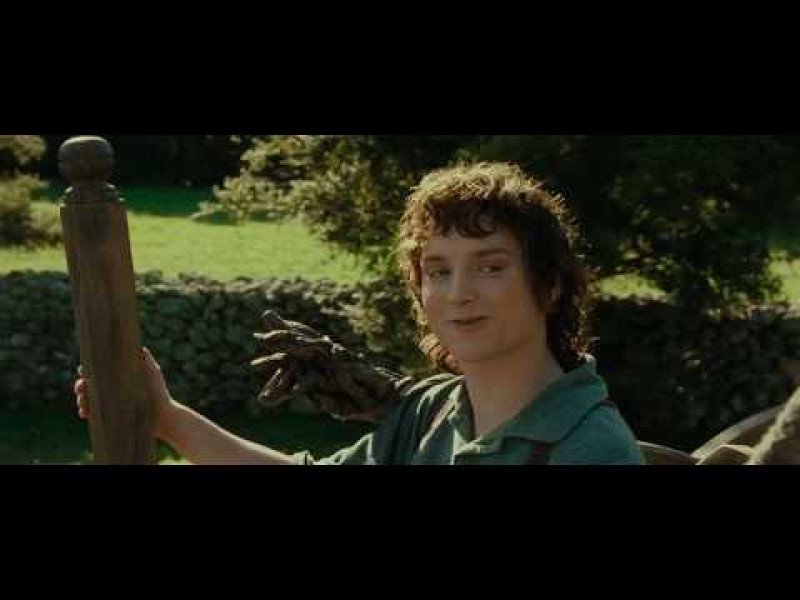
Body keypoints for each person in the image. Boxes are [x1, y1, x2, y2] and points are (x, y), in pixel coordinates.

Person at [74, 162, 644, 465]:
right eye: (438, 271)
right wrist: (167, 418)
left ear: (549, 285)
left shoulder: (590, 450)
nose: (459, 293)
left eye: (490, 267)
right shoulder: (432, 412)